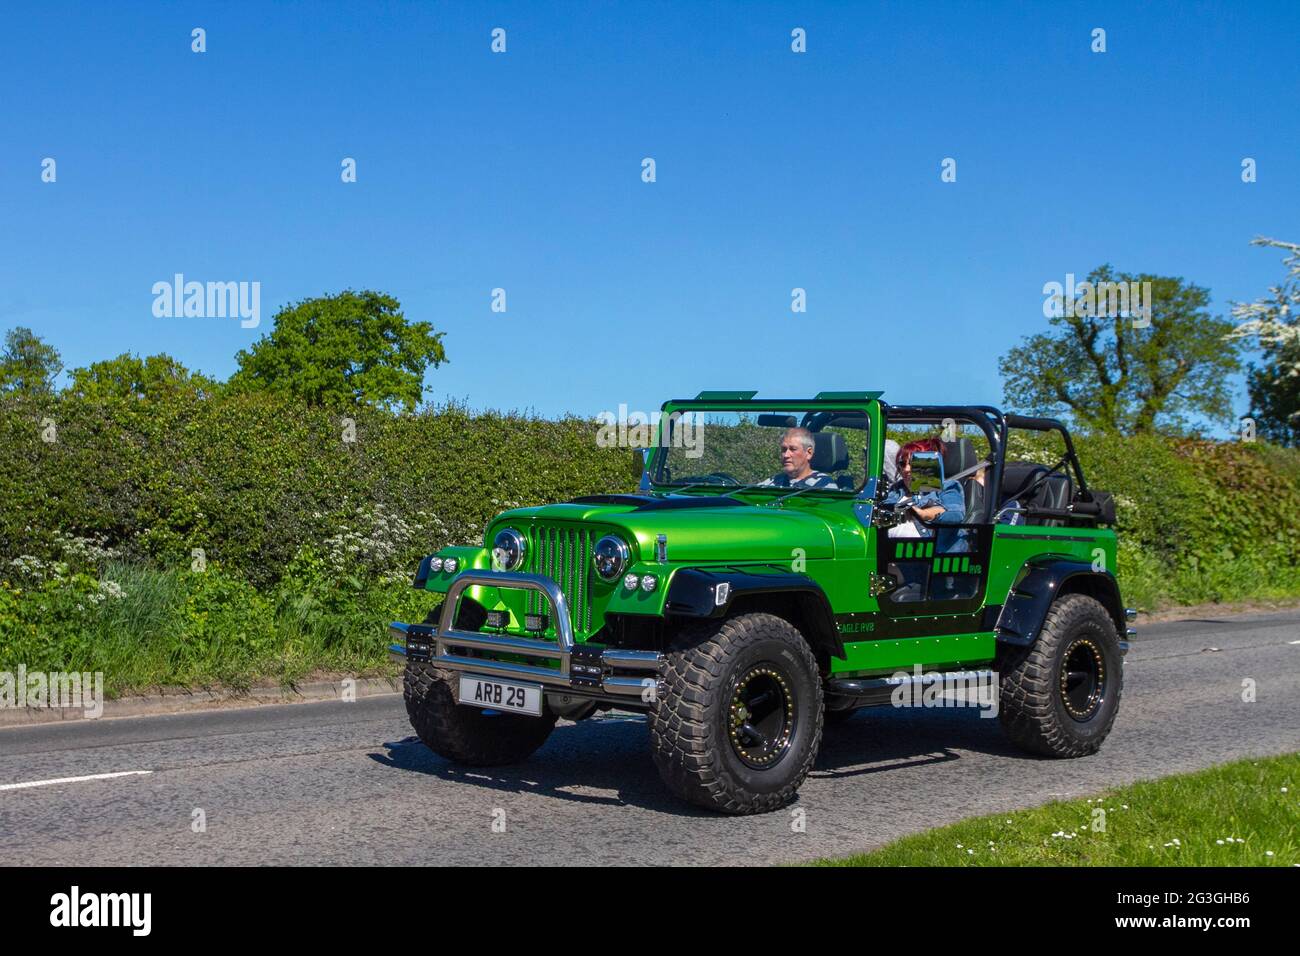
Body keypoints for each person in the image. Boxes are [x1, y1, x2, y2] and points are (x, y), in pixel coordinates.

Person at [758, 427, 837, 488]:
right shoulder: (772, 482)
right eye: (784, 449)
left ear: (809, 453)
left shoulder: (824, 485)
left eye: (793, 449)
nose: (786, 455)